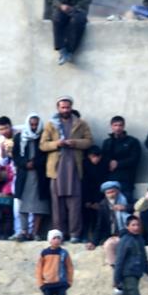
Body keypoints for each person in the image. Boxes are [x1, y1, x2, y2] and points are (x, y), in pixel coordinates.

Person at [40, 96, 93, 243]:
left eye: (67, 107)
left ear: (71, 107)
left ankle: (75, 233)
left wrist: (74, 142)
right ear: (58, 108)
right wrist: (57, 143)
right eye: (62, 107)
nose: (65, 110)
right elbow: (43, 145)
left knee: (75, 203)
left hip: (74, 168)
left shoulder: (80, 124)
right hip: (56, 170)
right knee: (57, 205)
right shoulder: (51, 125)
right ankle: (59, 234)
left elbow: (89, 141)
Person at [45, 0, 91, 65]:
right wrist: (60, 6)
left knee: (77, 22)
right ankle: (61, 49)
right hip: (62, 9)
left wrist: (76, 8)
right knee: (57, 18)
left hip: (78, 10)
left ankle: (70, 51)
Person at [11, 113, 50, 240]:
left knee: (39, 206)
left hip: (39, 175)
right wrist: (24, 163)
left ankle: (35, 232)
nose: (34, 127)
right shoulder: (19, 137)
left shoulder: (44, 136)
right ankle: (23, 231)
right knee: (23, 205)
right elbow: (16, 155)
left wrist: (35, 163)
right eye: (31, 124)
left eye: (36, 124)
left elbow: (47, 155)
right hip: (24, 175)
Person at [86, 181, 132, 264]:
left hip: (127, 232)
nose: (111, 195)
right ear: (105, 194)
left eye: (113, 191)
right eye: (108, 193)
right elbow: (99, 226)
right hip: (112, 235)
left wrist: (125, 207)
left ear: (118, 191)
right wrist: (93, 242)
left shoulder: (126, 198)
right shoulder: (103, 205)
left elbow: (136, 206)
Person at [101, 116, 141, 202]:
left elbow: (135, 159)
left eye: (120, 125)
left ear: (124, 126)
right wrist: (110, 163)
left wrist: (118, 163)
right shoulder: (107, 142)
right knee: (111, 206)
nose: (118, 128)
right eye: (115, 125)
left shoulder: (132, 141)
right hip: (110, 179)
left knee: (125, 204)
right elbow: (103, 158)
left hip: (126, 179)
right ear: (111, 126)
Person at [82, 146, 109, 243]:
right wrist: (88, 201)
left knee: (99, 217)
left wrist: (98, 202)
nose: (96, 159)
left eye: (98, 157)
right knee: (85, 215)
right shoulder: (84, 165)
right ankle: (85, 235)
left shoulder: (104, 165)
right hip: (87, 196)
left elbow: (103, 185)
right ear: (89, 156)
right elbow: (84, 184)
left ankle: (98, 237)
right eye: (93, 156)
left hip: (99, 197)